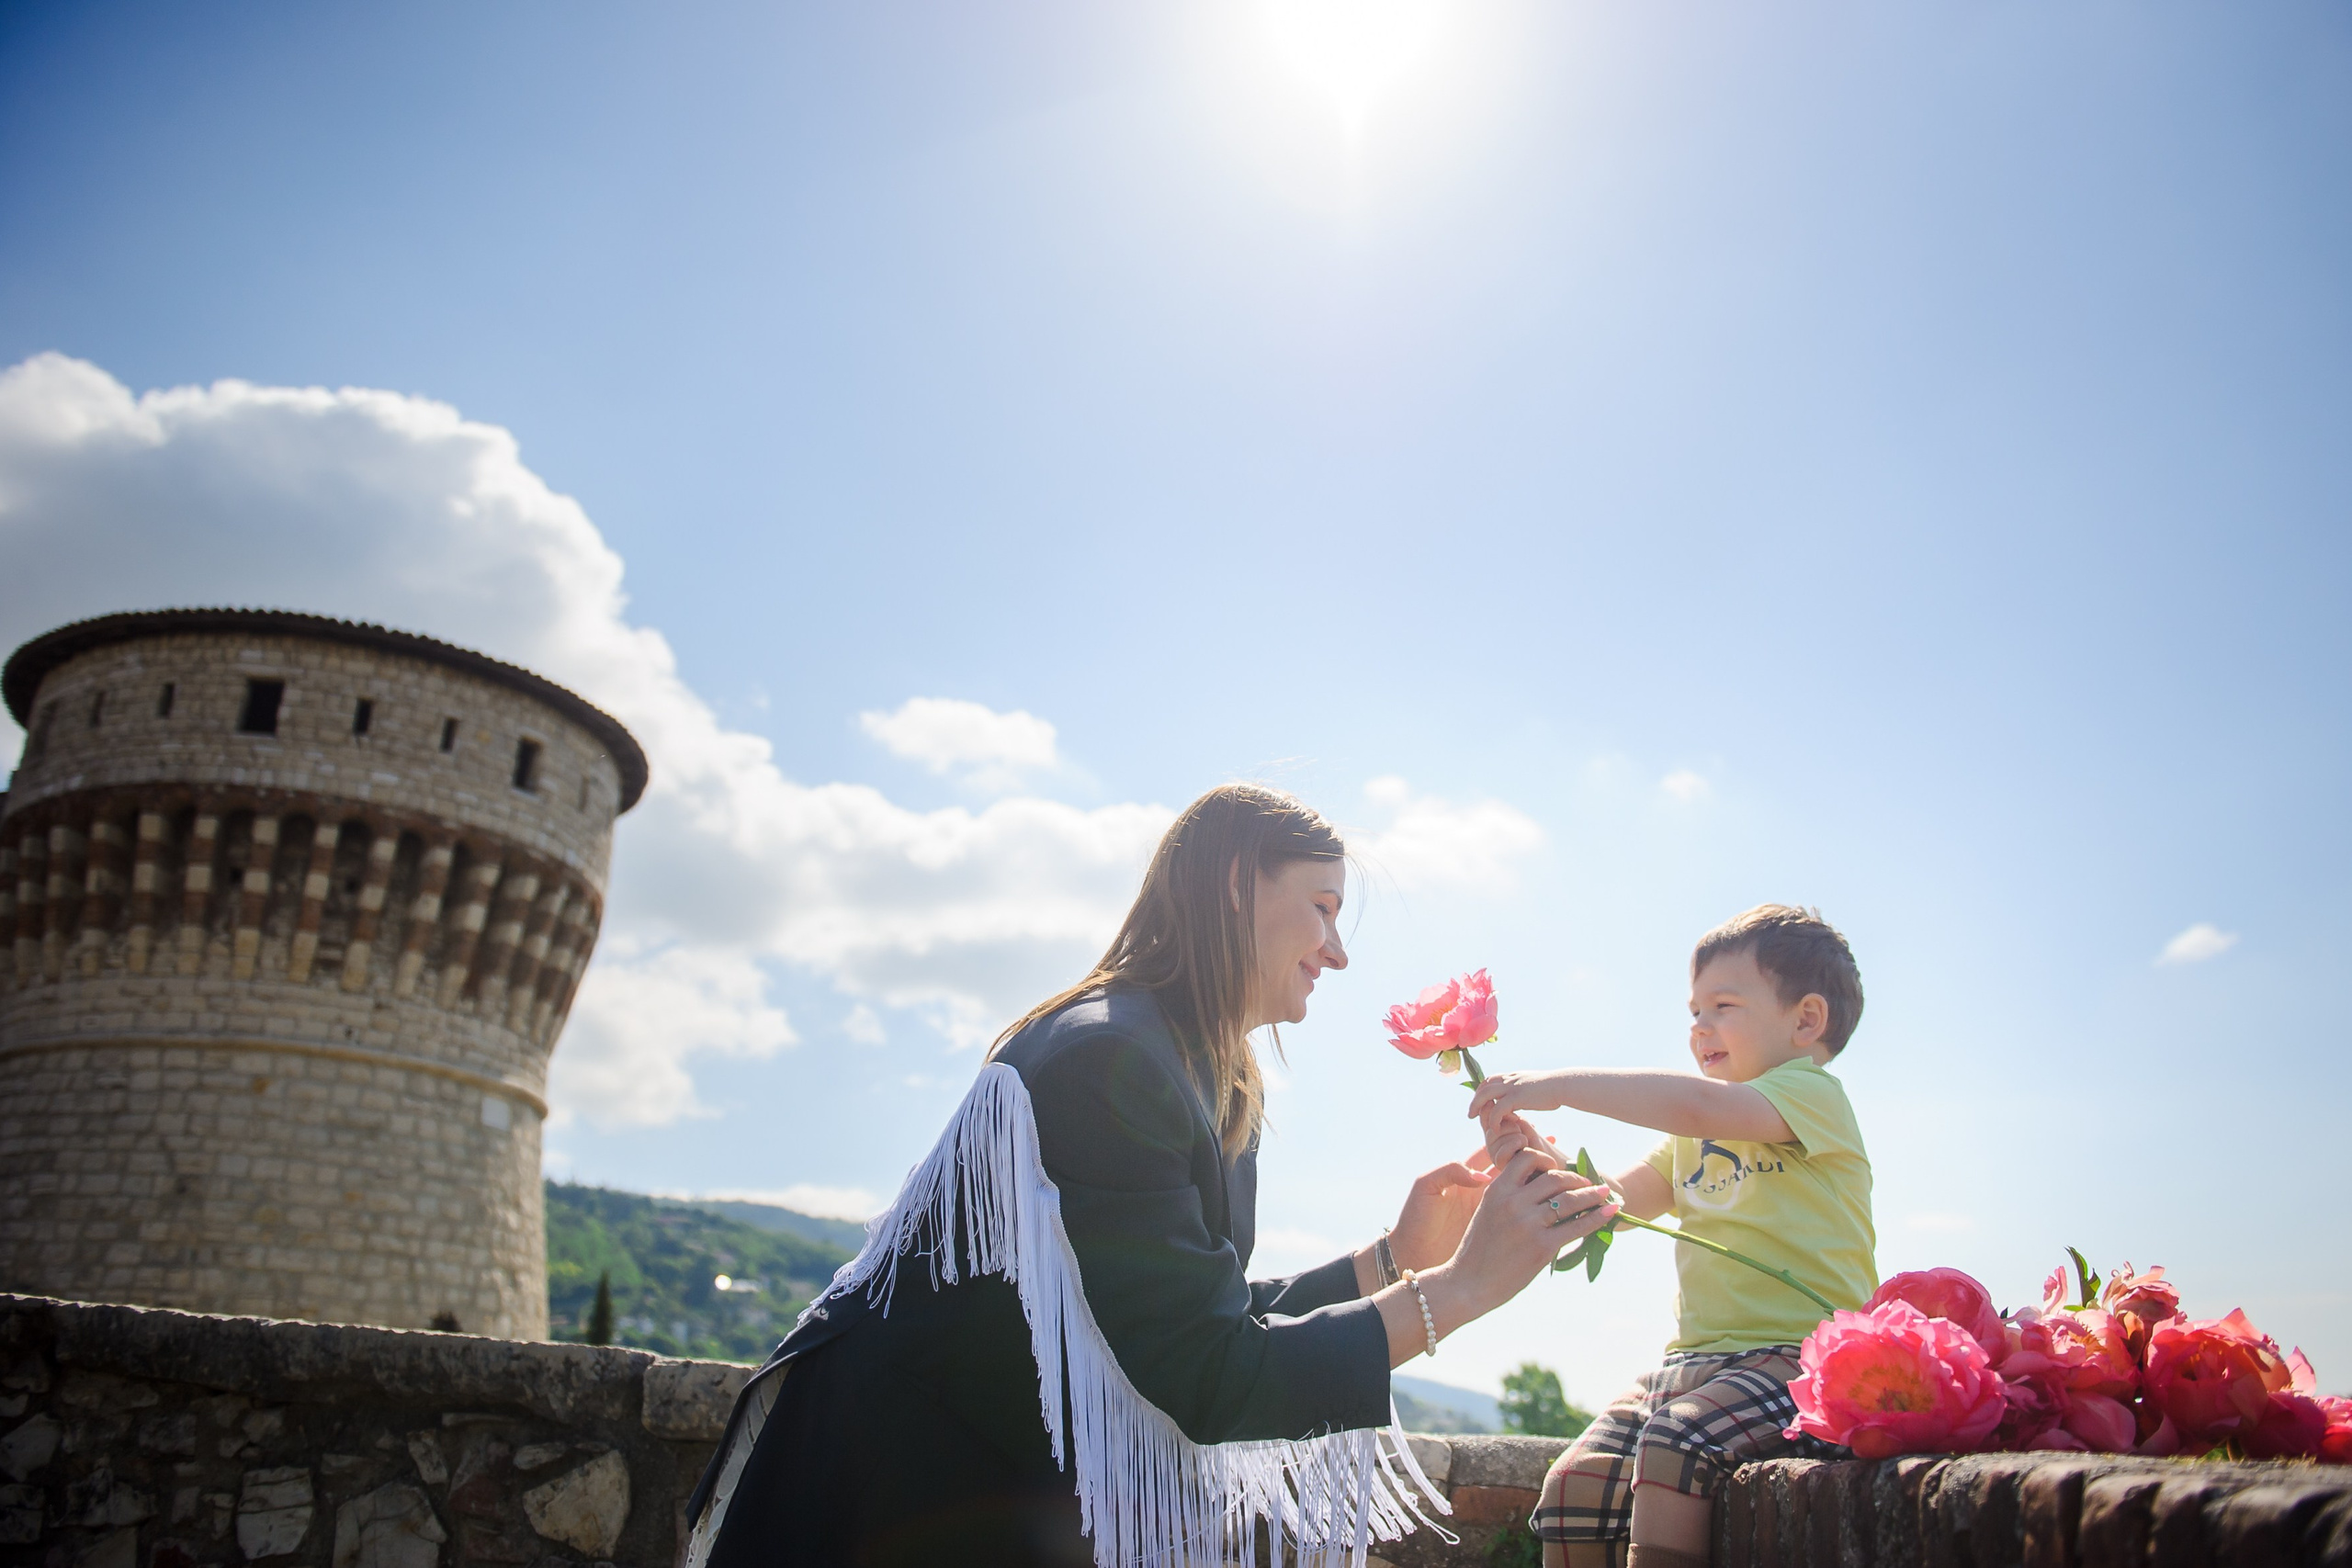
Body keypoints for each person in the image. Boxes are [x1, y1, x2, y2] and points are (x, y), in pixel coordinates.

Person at [684, 784, 1621, 1568]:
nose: (1338, 952)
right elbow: (1202, 1376)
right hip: (890, 1502)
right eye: (1324, 908)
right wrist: (1459, 1291)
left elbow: (1180, 1314)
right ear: (1233, 885)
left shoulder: (1188, 1062)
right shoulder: (1111, 1063)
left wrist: (1390, 1260)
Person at [1465, 905, 1876, 1568]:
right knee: (1574, 1483)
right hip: (1690, 1366)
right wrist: (1530, 1152)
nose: (1699, 1027)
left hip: (1798, 1362)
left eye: (1722, 1005)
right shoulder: (1691, 1137)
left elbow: (1698, 1103)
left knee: (1677, 1447)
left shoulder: (1811, 1095)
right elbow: (1603, 1205)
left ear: (1806, 1020)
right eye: (1694, 1012)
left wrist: (1559, 1086)